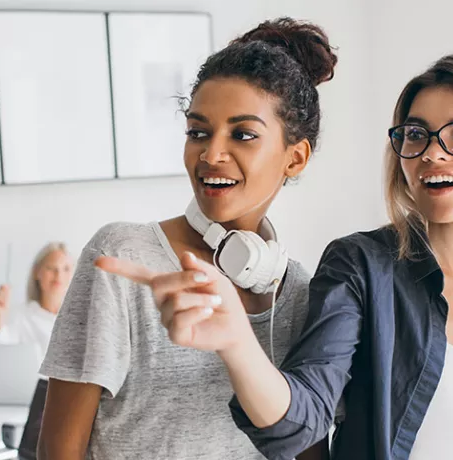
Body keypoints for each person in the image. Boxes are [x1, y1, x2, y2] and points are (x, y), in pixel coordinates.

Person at [101, 53, 453, 460]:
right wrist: (237, 340)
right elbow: (297, 424)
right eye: (415, 135)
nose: (433, 152)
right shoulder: (361, 267)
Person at [38, 18, 337, 460]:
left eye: (243, 134)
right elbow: (58, 451)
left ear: (295, 157)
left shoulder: (297, 294)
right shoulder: (122, 255)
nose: (211, 154)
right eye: (198, 131)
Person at [0, 242, 73, 361]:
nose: (58, 275)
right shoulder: (21, 316)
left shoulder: (84, 317)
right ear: (36, 272)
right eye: (51, 268)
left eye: (66, 269)